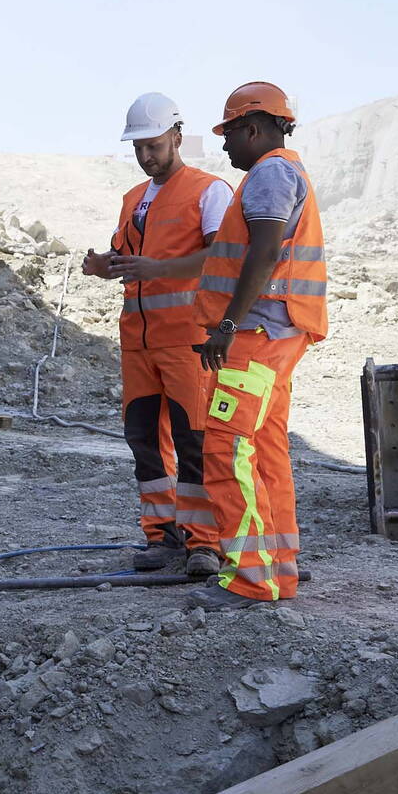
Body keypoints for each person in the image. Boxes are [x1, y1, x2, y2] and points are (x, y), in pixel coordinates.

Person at [80, 92, 235, 578]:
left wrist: (157, 267)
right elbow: (127, 261)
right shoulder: (133, 199)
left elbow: (221, 256)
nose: (146, 156)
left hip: (189, 340)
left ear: (176, 137)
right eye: (138, 148)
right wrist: (103, 266)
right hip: (138, 344)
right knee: (144, 440)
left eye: (153, 145)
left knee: (194, 441)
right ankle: (162, 535)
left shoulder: (209, 191)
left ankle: (204, 544)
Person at [192, 83, 327, 605]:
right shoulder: (287, 170)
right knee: (264, 451)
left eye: (228, 135)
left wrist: (226, 326)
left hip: (257, 336)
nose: (225, 148)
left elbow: (265, 252)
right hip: (277, 333)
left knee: (228, 450)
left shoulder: (269, 172)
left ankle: (252, 580)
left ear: (253, 128)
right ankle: (277, 567)